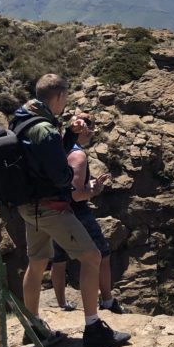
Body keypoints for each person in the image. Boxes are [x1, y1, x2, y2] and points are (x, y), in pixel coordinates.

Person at [11, 74, 130, 347]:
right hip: (51, 208)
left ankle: (33, 327)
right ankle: (93, 327)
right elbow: (61, 176)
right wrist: (82, 183)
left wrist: (68, 136)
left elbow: (41, 157)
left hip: (28, 206)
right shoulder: (45, 129)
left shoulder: (22, 118)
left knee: (37, 261)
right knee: (92, 257)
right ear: (59, 96)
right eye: (65, 97)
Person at [49, 113, 127, 315]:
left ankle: (61, 304)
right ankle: (107, 302)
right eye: (90, 126)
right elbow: (75, 195)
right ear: (82, 129)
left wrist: (87, 184)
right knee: (101, 254)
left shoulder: (60, 149)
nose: (93, 131)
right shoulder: (78, 155)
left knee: (59, 259)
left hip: (54, 210)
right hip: (77, 213)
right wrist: (94, 190)